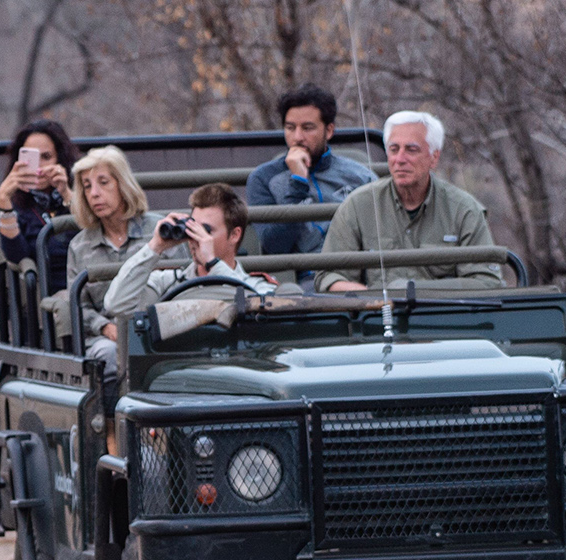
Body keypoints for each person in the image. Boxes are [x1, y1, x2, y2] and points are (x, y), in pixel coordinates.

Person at [316, 110, 503, 293]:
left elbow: (486, 281)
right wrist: (374, 299)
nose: (400, 159)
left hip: (444, 318)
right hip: (375, 319)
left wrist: (412, 291)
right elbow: (328, 276)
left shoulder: (464, 209)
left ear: (434, 157)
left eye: (411, 150)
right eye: (394, 149)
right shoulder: (358, 206)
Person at [103, 182, 276, 319]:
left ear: (234, 235)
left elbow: (264, 313)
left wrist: (213, 264)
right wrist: (155, 246)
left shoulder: (257, 287)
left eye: (206, 231)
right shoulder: (168, 283)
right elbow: (116, 305)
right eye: (192, 229)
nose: (196, 239)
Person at [245, 83, 378, 258]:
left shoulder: (362, 177)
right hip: (303, 279)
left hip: (356, 272)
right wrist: (298, 184)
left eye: (308, 128)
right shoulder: (263, 178)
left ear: (329, 130)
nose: (298, 137)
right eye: (290, 128)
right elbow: (274, 246)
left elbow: (380, 238)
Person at [65, 146, 162, 362]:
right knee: (109, 355)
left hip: (161, 329)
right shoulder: (80, 246)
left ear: (122, 184)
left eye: (104, 182)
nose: (94, 194)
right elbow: (78, 306)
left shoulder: (159, 232)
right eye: (87, 186)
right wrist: (105, 327)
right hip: (107, 339)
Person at [0, 120, 79, 294]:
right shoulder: (16, 207)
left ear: (60, 159)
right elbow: (17, 257)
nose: (39, 166)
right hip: (52, 297)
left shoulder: (81, 193)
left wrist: (66, 193)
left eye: (46, 157)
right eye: (31, 159)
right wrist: (4, 200)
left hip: (88, 286)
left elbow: (94, 233)